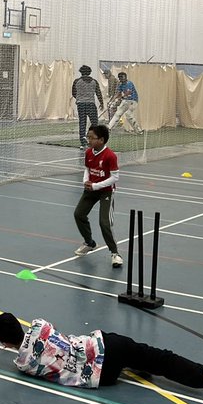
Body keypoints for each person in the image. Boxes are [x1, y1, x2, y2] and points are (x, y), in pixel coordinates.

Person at [0, 312, 203, 404]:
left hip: (102, 378)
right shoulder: (39, 324)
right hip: (105, 346)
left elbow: (34, 357)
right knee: (162, 359)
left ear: (3, 341)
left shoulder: (23, 364)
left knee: (144, 365)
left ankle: (140, 367)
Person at [73, 124, 122, 268]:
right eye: (88, 137)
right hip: (91, 189)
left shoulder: (110, 156)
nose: (88, 140)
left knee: (104, 222)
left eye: (91, 137)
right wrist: (85, 181)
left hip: (106, 191)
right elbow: (87, 169)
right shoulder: (89, 152)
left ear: (101, 140)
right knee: (79, 214)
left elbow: (115, 177)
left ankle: (115, 253)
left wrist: (96, 186)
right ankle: (89, 243)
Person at [71, 64, 105, 141]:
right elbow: (98, 93)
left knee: (82, 122)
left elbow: (73, 93)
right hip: (91, 104)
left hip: (81, 104)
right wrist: (101, 103)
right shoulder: (94, 82)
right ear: (90, 72)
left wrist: (79, 98)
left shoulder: (76, 81)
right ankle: (90, 136)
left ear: (81, 72)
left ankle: (82, 140)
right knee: (94, 122)